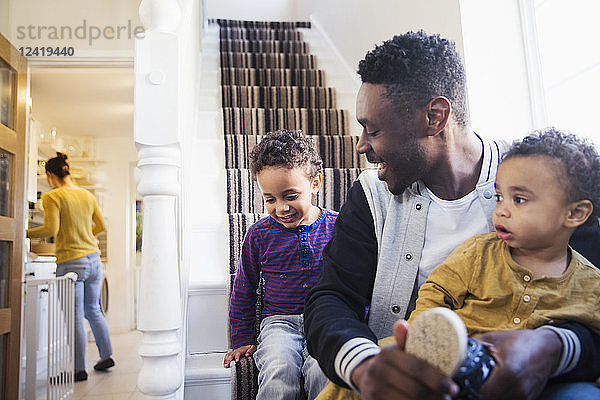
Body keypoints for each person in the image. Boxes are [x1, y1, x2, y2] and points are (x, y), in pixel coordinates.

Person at [304, 31, 600, 400]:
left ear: (435, 116)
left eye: (373, 129)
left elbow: (589, 292)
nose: (362, 145)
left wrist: (552, 348)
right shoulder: (370, 195)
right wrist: (365, 365)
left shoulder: (541, 179)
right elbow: (329, 299)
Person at [223, 130, 336, 400]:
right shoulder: (259, 234)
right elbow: (244, 287)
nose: (281, 208)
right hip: (278, 323)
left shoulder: (338, 227)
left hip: (326, 319)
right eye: (270, 199)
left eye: (291, 195)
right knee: (278, 369)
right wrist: (242, 338)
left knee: (323, 372)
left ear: (315, 183)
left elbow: (355, 278)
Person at [27, 152, 114, 382]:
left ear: (49, 175)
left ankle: (78, 369)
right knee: (93, 309)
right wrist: (85, 237)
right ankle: (106, 355)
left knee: (74, 316)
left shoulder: (52, 197)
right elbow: (101, 225)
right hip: (94, 258)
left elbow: (50, 229)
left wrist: (23, 232)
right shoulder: (87, 195)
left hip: (71, 262)